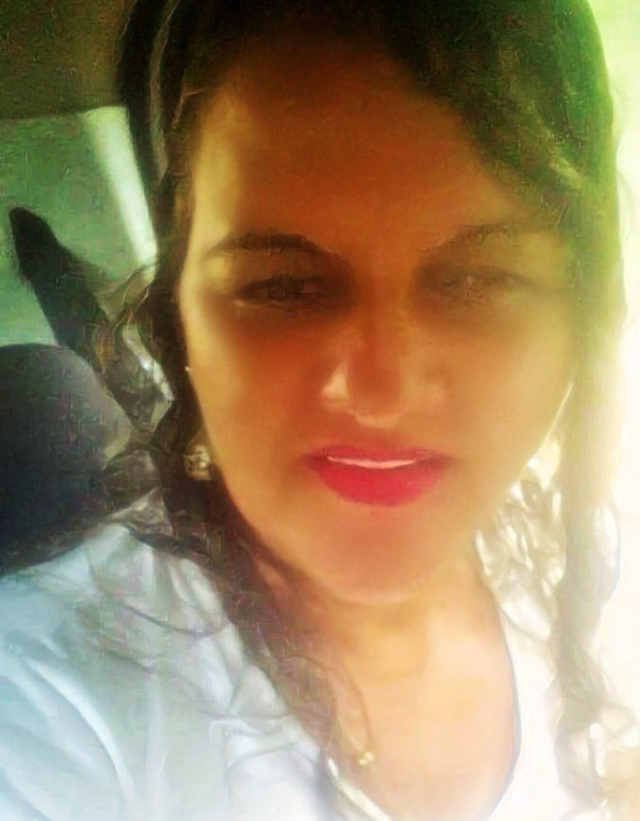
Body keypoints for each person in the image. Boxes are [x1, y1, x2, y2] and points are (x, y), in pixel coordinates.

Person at [0, 1, 636, 819]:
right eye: (281, 287)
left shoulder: (591, 565)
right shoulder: (51, 701)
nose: (379, 393)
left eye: (478, 280)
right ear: (179, 315)